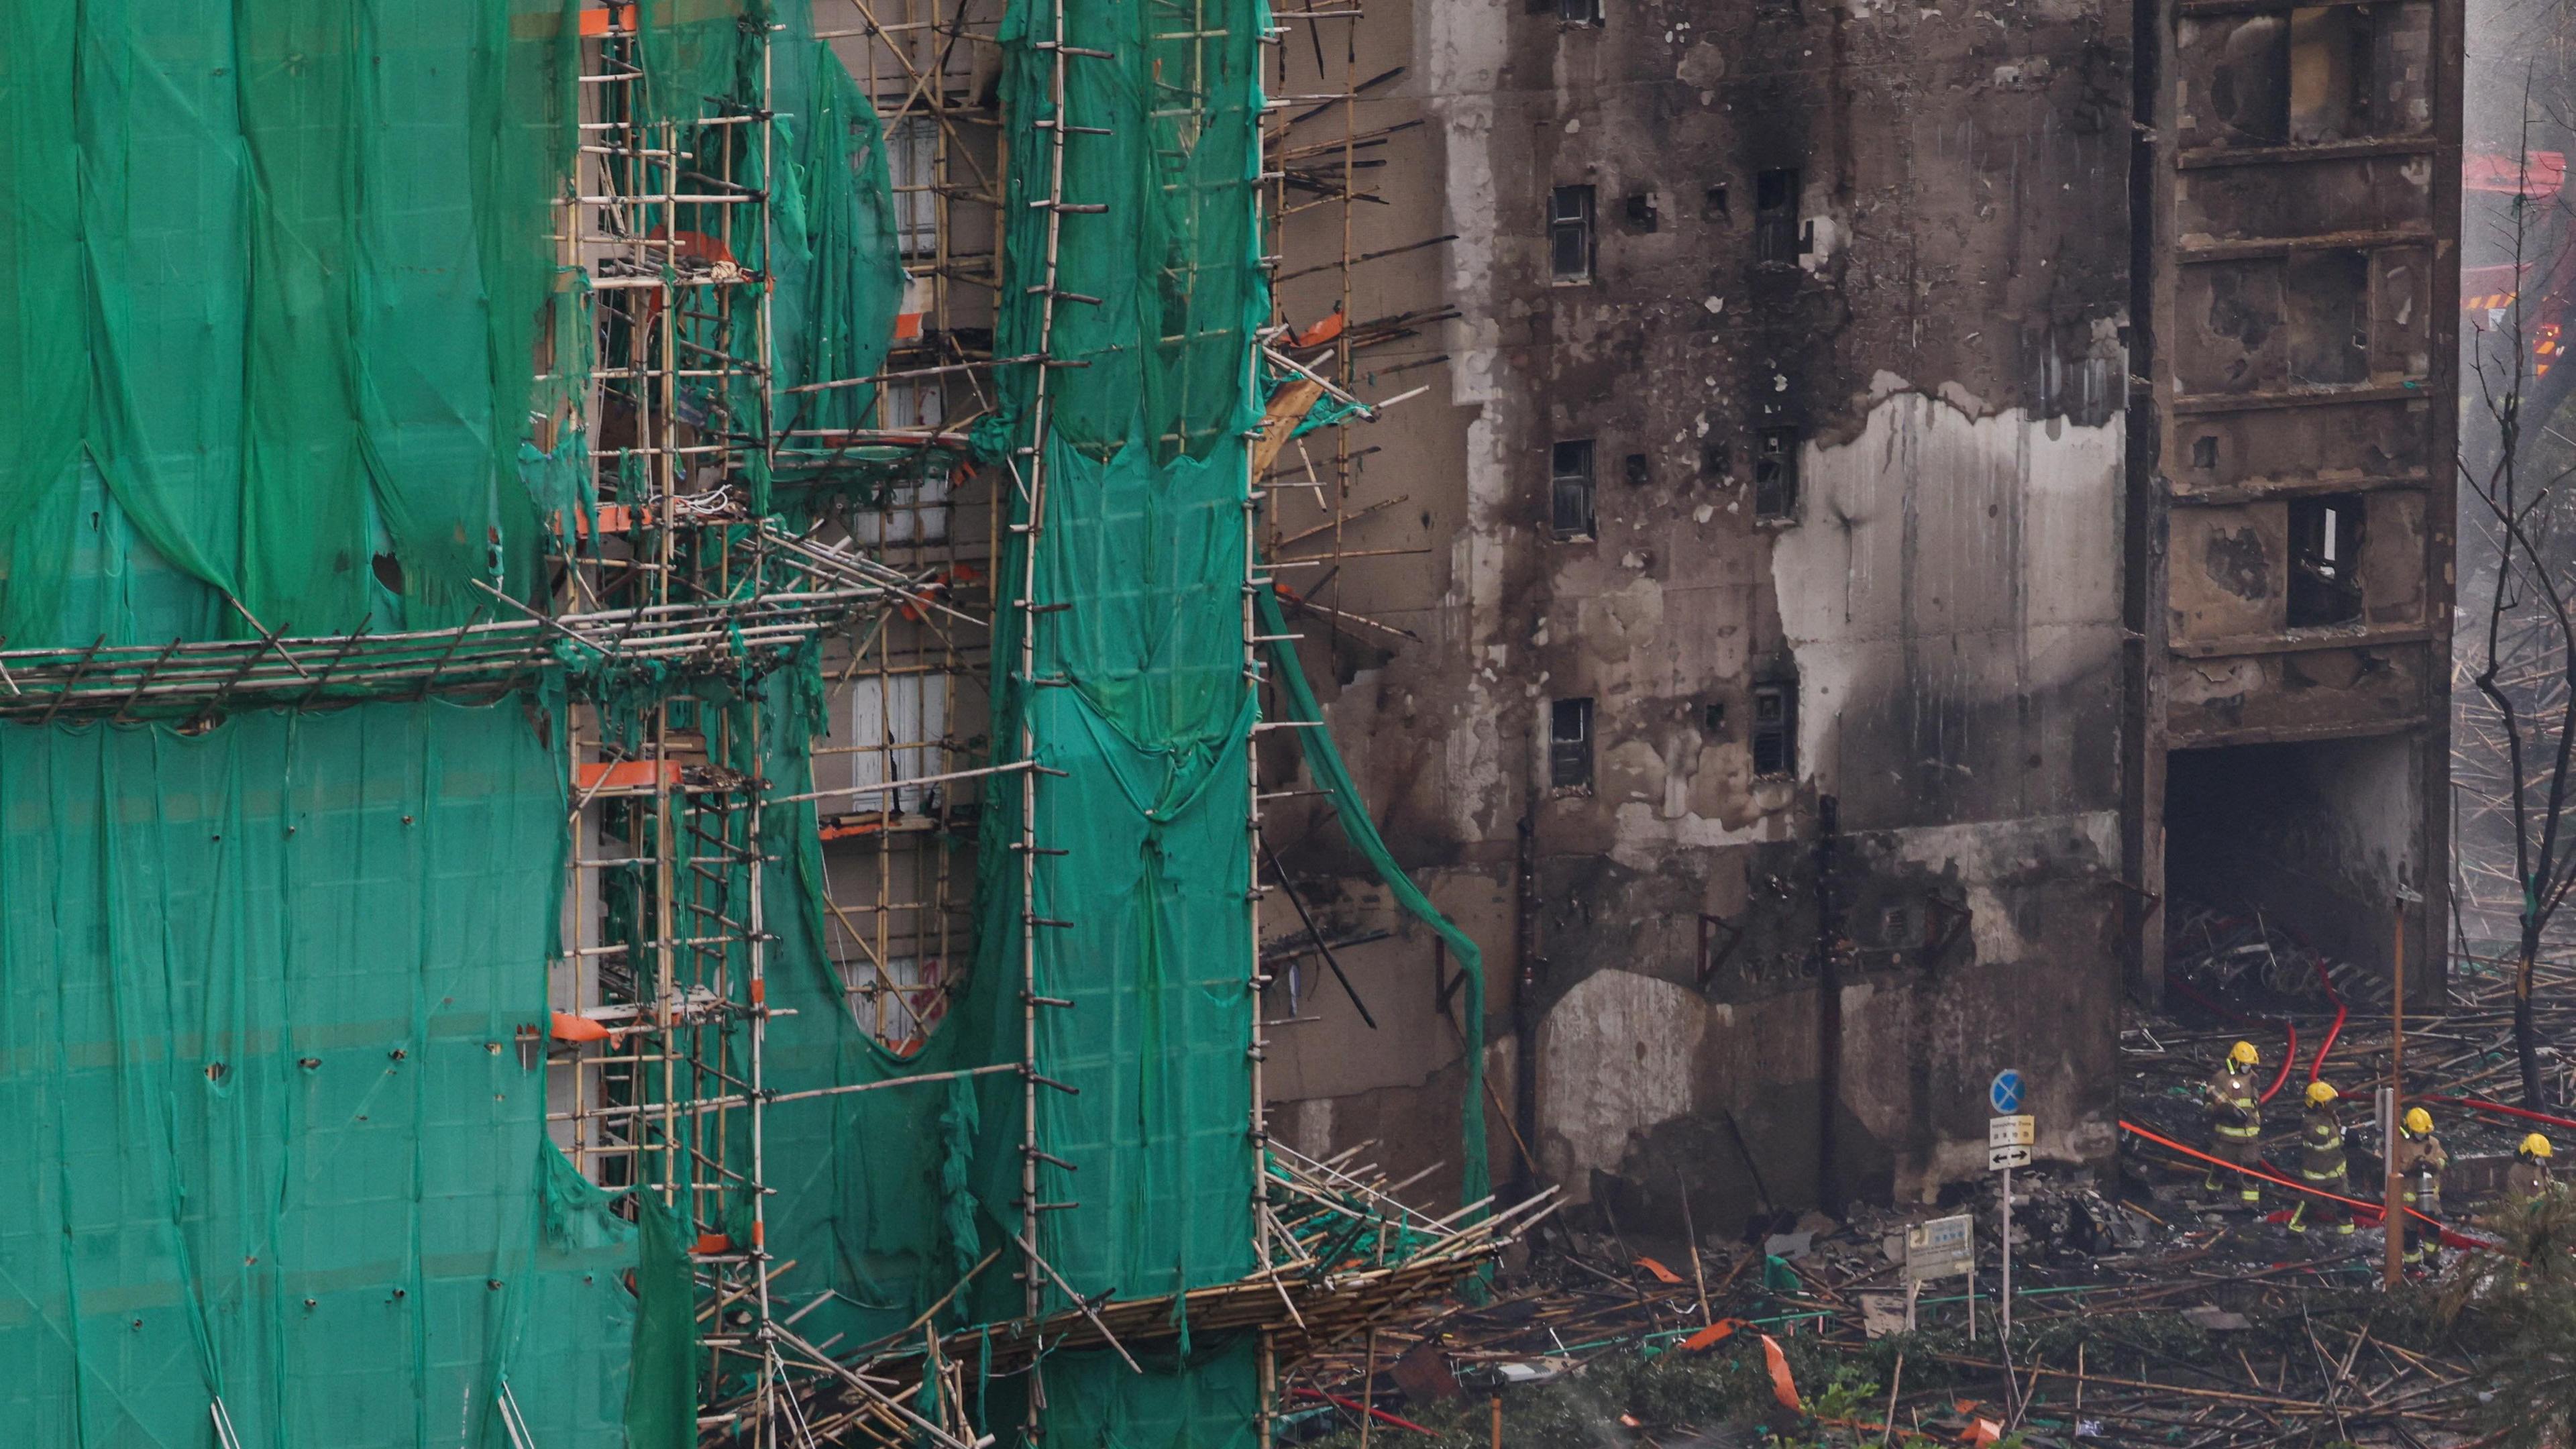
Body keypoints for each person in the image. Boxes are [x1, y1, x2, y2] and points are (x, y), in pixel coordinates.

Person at [2204, 1040, 2265, 1207]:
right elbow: (2208, 1106)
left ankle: (2250, 1204)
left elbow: (2254, 1105)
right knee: (2219, 1170)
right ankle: (2212, 1192)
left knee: (2252, 1171)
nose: (2249, 1068)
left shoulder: (2253, 1078)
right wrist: (2223, 1111)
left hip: (2250, 1138)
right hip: (2226, 1138)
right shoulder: (2220, 1078)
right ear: (2235, 1062)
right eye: (2246, 1065)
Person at [2288, 1080, 2349, 1236]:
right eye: (2329, 1103)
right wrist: (2344, 1133)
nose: (2333, 1107)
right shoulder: (2310, 1123)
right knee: (2309, 1206)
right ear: (2318, 1106)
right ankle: (2295, 1231)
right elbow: (2320, 1137)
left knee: (2343, 1207)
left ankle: (2348, 1235)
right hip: (2317, 1175)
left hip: (2336, 1173)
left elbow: (2336, 1140)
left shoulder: (2330, 1119)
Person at [2390, 1106, 2448, 1268]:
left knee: (2433, 1228)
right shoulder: (2401, 1145)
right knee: (2409, 1233)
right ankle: (2411, 1263)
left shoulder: (2434, 1143)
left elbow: (2444, 1160)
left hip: (2431, 1197)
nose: (2422, 1135)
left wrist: (2434, 1165)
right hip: (2409, 1199)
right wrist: (2411, 1168)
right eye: (2418, 1132)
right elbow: (2394, 1167)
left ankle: (2432, 1258)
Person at [2506, 1132, 2555, 1212]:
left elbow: (2550, 1187)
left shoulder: (2543, 1169)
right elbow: (2518, 1200)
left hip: (2546, 1212)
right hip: (2528, 1215)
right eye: (2539, 1157)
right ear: (2529, 1154)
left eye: (2543, 1157)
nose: (2541, 1160)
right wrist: (2534, 1205)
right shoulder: (2517, 1171)